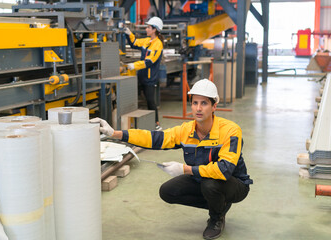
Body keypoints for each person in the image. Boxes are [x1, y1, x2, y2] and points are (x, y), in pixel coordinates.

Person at [90, 79, 253, 240]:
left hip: (234, 184)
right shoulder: (186, 130)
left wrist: (184, 169)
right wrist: (115, 134)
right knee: (168, 192)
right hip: (203, 178)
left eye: (204, 103)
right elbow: (154, 138)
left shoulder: (230, 131)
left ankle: (216, 218)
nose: (198, 108)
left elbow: (224, 170)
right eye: (195, 103)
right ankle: (220, 204)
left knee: (210, 184)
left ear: (214, 106)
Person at [124, 16, 164, 130]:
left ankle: (156, 124)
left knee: (150, 101)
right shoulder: (147, 41)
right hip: (141, 75)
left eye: (148, 27)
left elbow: (149, 62)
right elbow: (134, 43)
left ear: (154, 29)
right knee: (135, 99)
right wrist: (128, 33)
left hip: (150, 78)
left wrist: (134, 65)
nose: (146, 29)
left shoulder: (158, 44)